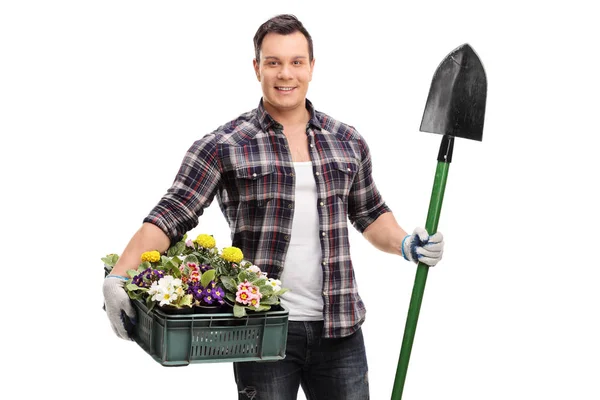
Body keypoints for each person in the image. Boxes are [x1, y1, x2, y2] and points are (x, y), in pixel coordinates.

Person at [102, 14, 444, 400]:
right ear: (257, 68)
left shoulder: (346, 140)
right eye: (273, 62)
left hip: (341, 329)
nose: (286, 74)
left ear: (312, 67)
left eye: (297, 62)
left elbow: (370, 212)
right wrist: (119, 276)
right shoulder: (224, 144)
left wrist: (405, 244)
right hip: (260, 331)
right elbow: (172, 213)